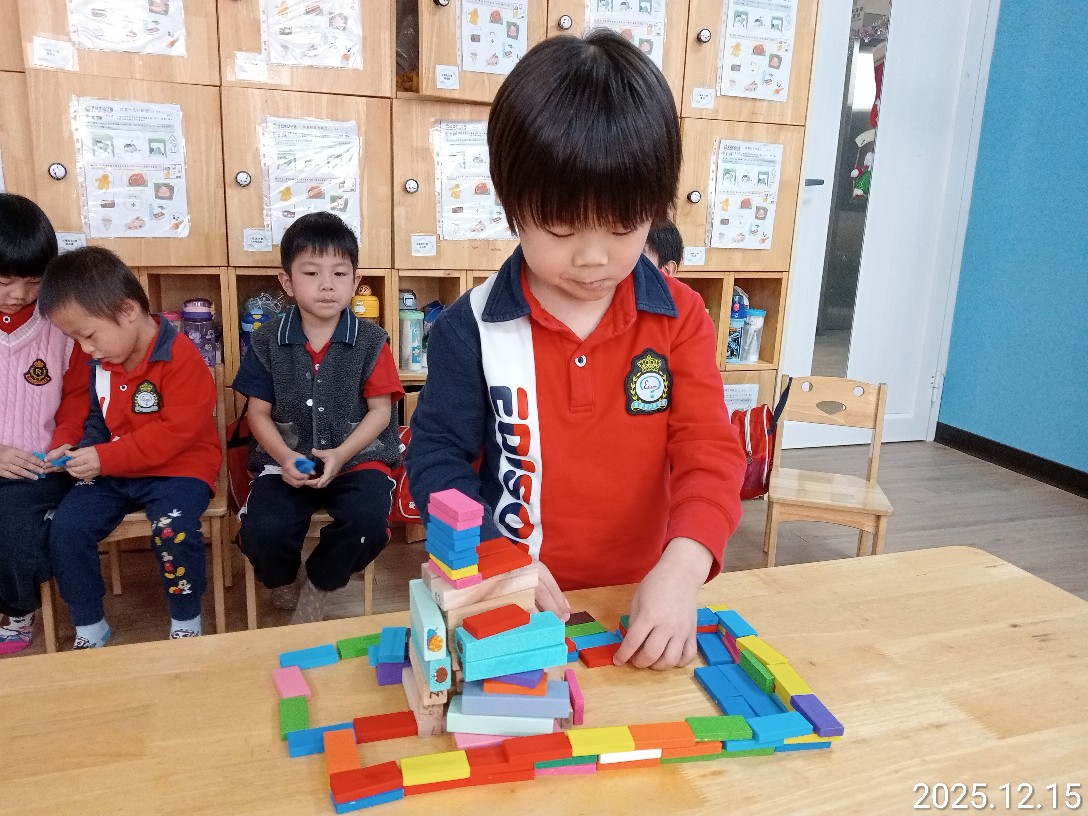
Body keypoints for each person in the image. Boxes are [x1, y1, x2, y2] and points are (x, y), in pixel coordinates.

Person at [406, 31, 746, 671]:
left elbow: (709, 450)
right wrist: (491, 559)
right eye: (561, 228)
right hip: (510, 598)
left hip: (643, 599)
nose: (593, 258)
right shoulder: (469, 329)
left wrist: (683, 567)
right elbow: (436, 459)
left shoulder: (680, 318)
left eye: (622, 226)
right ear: (513, 207)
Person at [38, 246, 221, 648]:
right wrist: (78, 450)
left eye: (88, 335)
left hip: (179, 468)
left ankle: (186, 618)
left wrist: (102, 457)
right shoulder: (101, 361)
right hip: (116, 468)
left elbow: (176, 435)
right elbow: (97, 418)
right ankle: (89, 624)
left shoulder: (182, 358)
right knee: (66, 527)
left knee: (172, 528)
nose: (85, 348)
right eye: (75, 339)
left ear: (128, 311)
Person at [231, 212, 403, 624]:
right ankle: (282, 577)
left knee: (367, 522)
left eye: (340, 274)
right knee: (264, 530)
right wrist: (285, 458)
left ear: (355, 281)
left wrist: (341, 454)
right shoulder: (267, 340)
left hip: (357, 459)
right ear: (287, 281)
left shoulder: (372, 340)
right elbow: (258, 413)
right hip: (288, 460)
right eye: (311, 273)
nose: (327, 284)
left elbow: (381, 412)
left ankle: (321, 582)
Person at [0, 194, 89, 654]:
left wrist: (64, 443)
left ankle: (17, 610)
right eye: (5, 281)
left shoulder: (59, 324)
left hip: (40, 467)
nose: (19, 294)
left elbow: (76, 397)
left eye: (33, 282)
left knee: (11, 524)